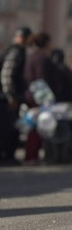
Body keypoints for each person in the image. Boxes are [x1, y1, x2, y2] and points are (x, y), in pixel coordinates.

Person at [0, 27, 31, 164]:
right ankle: (6, 156)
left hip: (7, 97)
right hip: (6, 98)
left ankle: (8, 156)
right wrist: (10, 96)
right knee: (7, 128)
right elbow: (7, 74)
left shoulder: (15, 50)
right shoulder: (15, 51)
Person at [23, 32, 55, 163]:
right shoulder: (41, 58)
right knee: (38, 128)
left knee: (34, 127)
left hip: (32, 95)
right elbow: (42, 78)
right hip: (40, 97)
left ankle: (31, 155)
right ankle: (31, 156)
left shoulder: (31, 56)